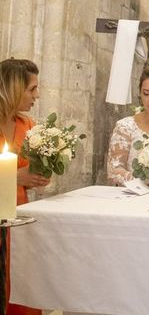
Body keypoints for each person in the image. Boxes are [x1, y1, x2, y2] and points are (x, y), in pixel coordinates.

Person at [0, 59, 49, 315]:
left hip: (19, 218)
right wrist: (13, 177)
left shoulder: (28, 126)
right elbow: (18, 175)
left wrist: (45, 169)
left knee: (21, 283)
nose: (36, 95)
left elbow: (37, 172)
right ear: (12, 87)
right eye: (32, 89)